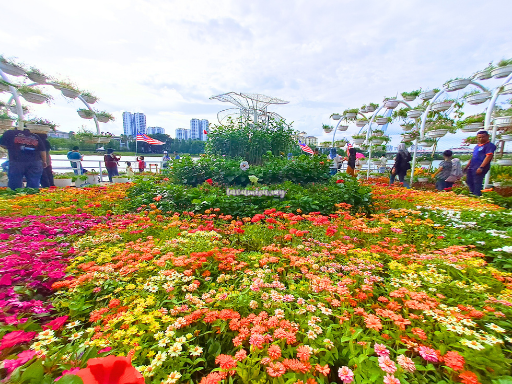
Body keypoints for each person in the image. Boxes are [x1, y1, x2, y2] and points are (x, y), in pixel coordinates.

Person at [464, 130, 496, 196]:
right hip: (472, 166)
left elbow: (489, 156)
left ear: (487, 136)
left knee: (477, 182)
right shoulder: (477, 146)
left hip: (480, 167)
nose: (481, 139)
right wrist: (467, 166)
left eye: (483, 137)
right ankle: (472, 194)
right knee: (469, 181)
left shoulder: (489, 146)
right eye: (479, 137)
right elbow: (473, 156)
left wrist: (481, 167)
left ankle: (477, 196)